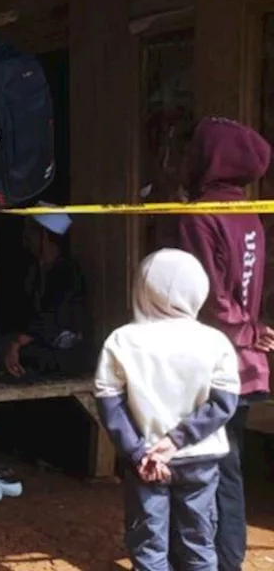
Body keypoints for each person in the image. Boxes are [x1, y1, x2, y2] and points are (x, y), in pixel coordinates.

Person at [160, 116, 273, 571]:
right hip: (245, 363)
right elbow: (248, 288)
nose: (188, 159)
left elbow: (207, 294)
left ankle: (207, 561)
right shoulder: (252, 211)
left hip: (207, 363)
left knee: (193, 467)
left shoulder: (200, 213)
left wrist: (244, 329)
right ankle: (228, 558)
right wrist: (253, 331)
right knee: (229, 467)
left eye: (194, 151)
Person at [95, 248, 240, 571]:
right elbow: (224, 403)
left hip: (144, 461)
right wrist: (177, 440)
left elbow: (109, 403)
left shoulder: (121, 340)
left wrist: (138, 452)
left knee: (148, 543)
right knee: (198, 540)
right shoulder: (215, 342)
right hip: (200, 459)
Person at [0, 208, 90, 380]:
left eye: (31, 233)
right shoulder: (35, 270)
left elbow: (56, 316)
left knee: (25, 355)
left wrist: (19, 341)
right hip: (41, 343)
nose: (27, 238)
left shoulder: (68, 271)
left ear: (44, 236)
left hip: (65, 352)